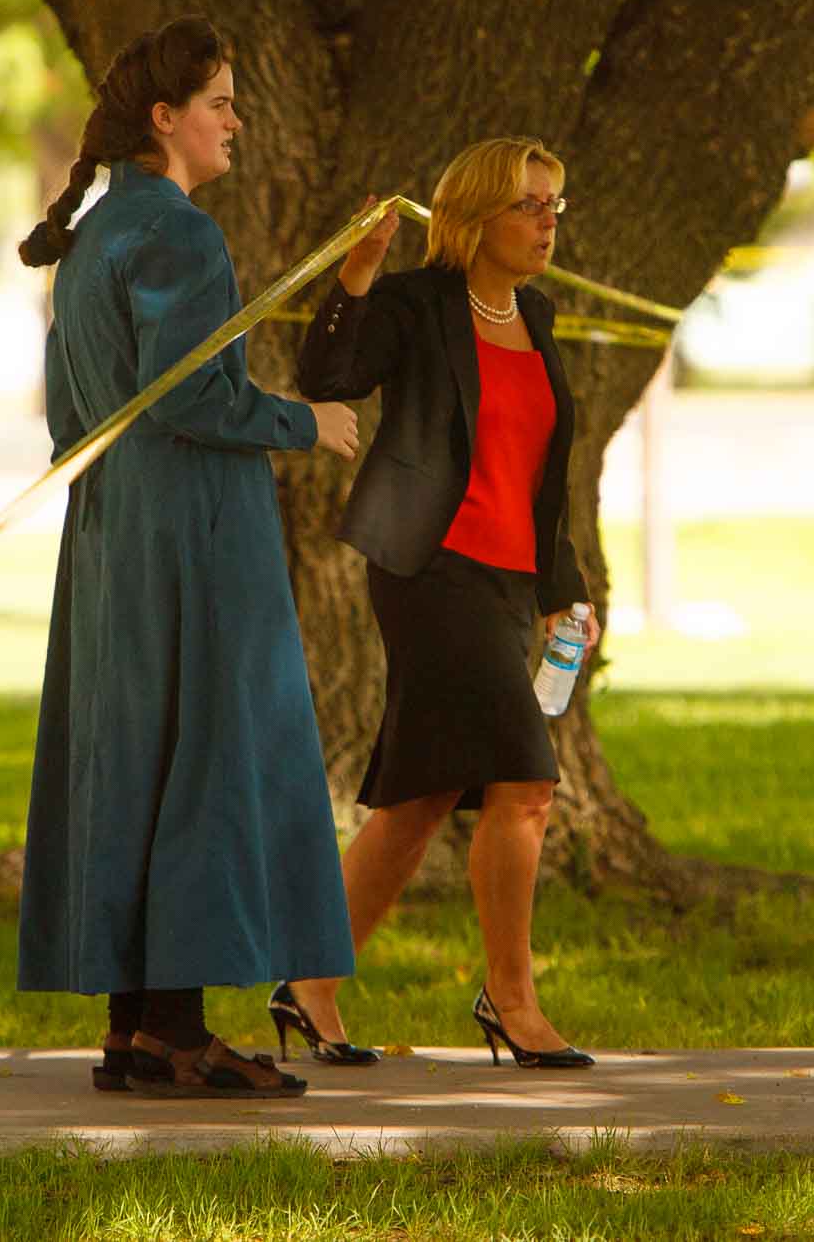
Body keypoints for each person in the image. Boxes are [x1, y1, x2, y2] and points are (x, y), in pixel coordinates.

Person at [14, 15, 361, 1099]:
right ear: (165, 120)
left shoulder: (92, 240)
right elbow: (193, 395)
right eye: (218, 101)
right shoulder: (176, 234)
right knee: (205, 758)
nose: (235, 119)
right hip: (192, 536)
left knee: (138, 759)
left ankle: (140, 1029)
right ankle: (175, 1030)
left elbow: (71, 415)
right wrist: (312, 422)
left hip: (115, 536)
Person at [283, 137, 602, 1069]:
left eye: (554, 205)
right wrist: (353, 279)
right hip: (430, 572)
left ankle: (307, 980)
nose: (547, 221)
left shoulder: (536, 316)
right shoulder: (418, 305)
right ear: (473, 218)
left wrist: (564, 594)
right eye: (528, 205)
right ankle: (511, 999)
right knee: (528, 783)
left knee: (417, 802)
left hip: (511, 583)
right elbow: (328, 378)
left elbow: (543, 478)